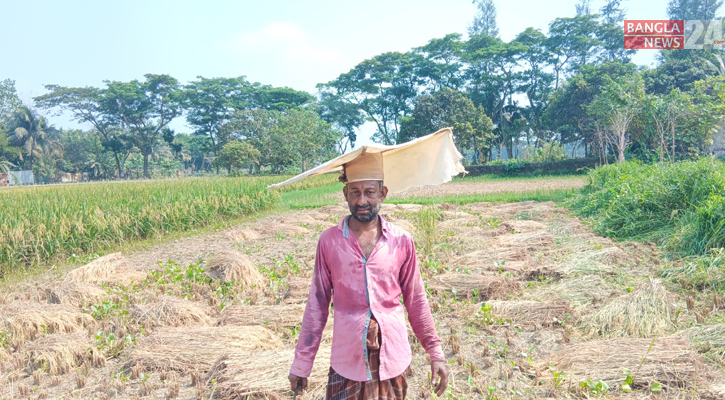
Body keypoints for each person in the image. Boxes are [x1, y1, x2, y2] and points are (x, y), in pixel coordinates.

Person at [288, 152, 449, 399]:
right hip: (346, 361)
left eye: (370, 192)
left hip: (392, 359)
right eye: (355, 192)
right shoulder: (329, 241)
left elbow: (416, 299)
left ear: (382, 194)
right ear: (345, 194)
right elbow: (317, 304)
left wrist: (435, 352)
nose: (362, 200)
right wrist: (302, 363)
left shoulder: (401, 240)